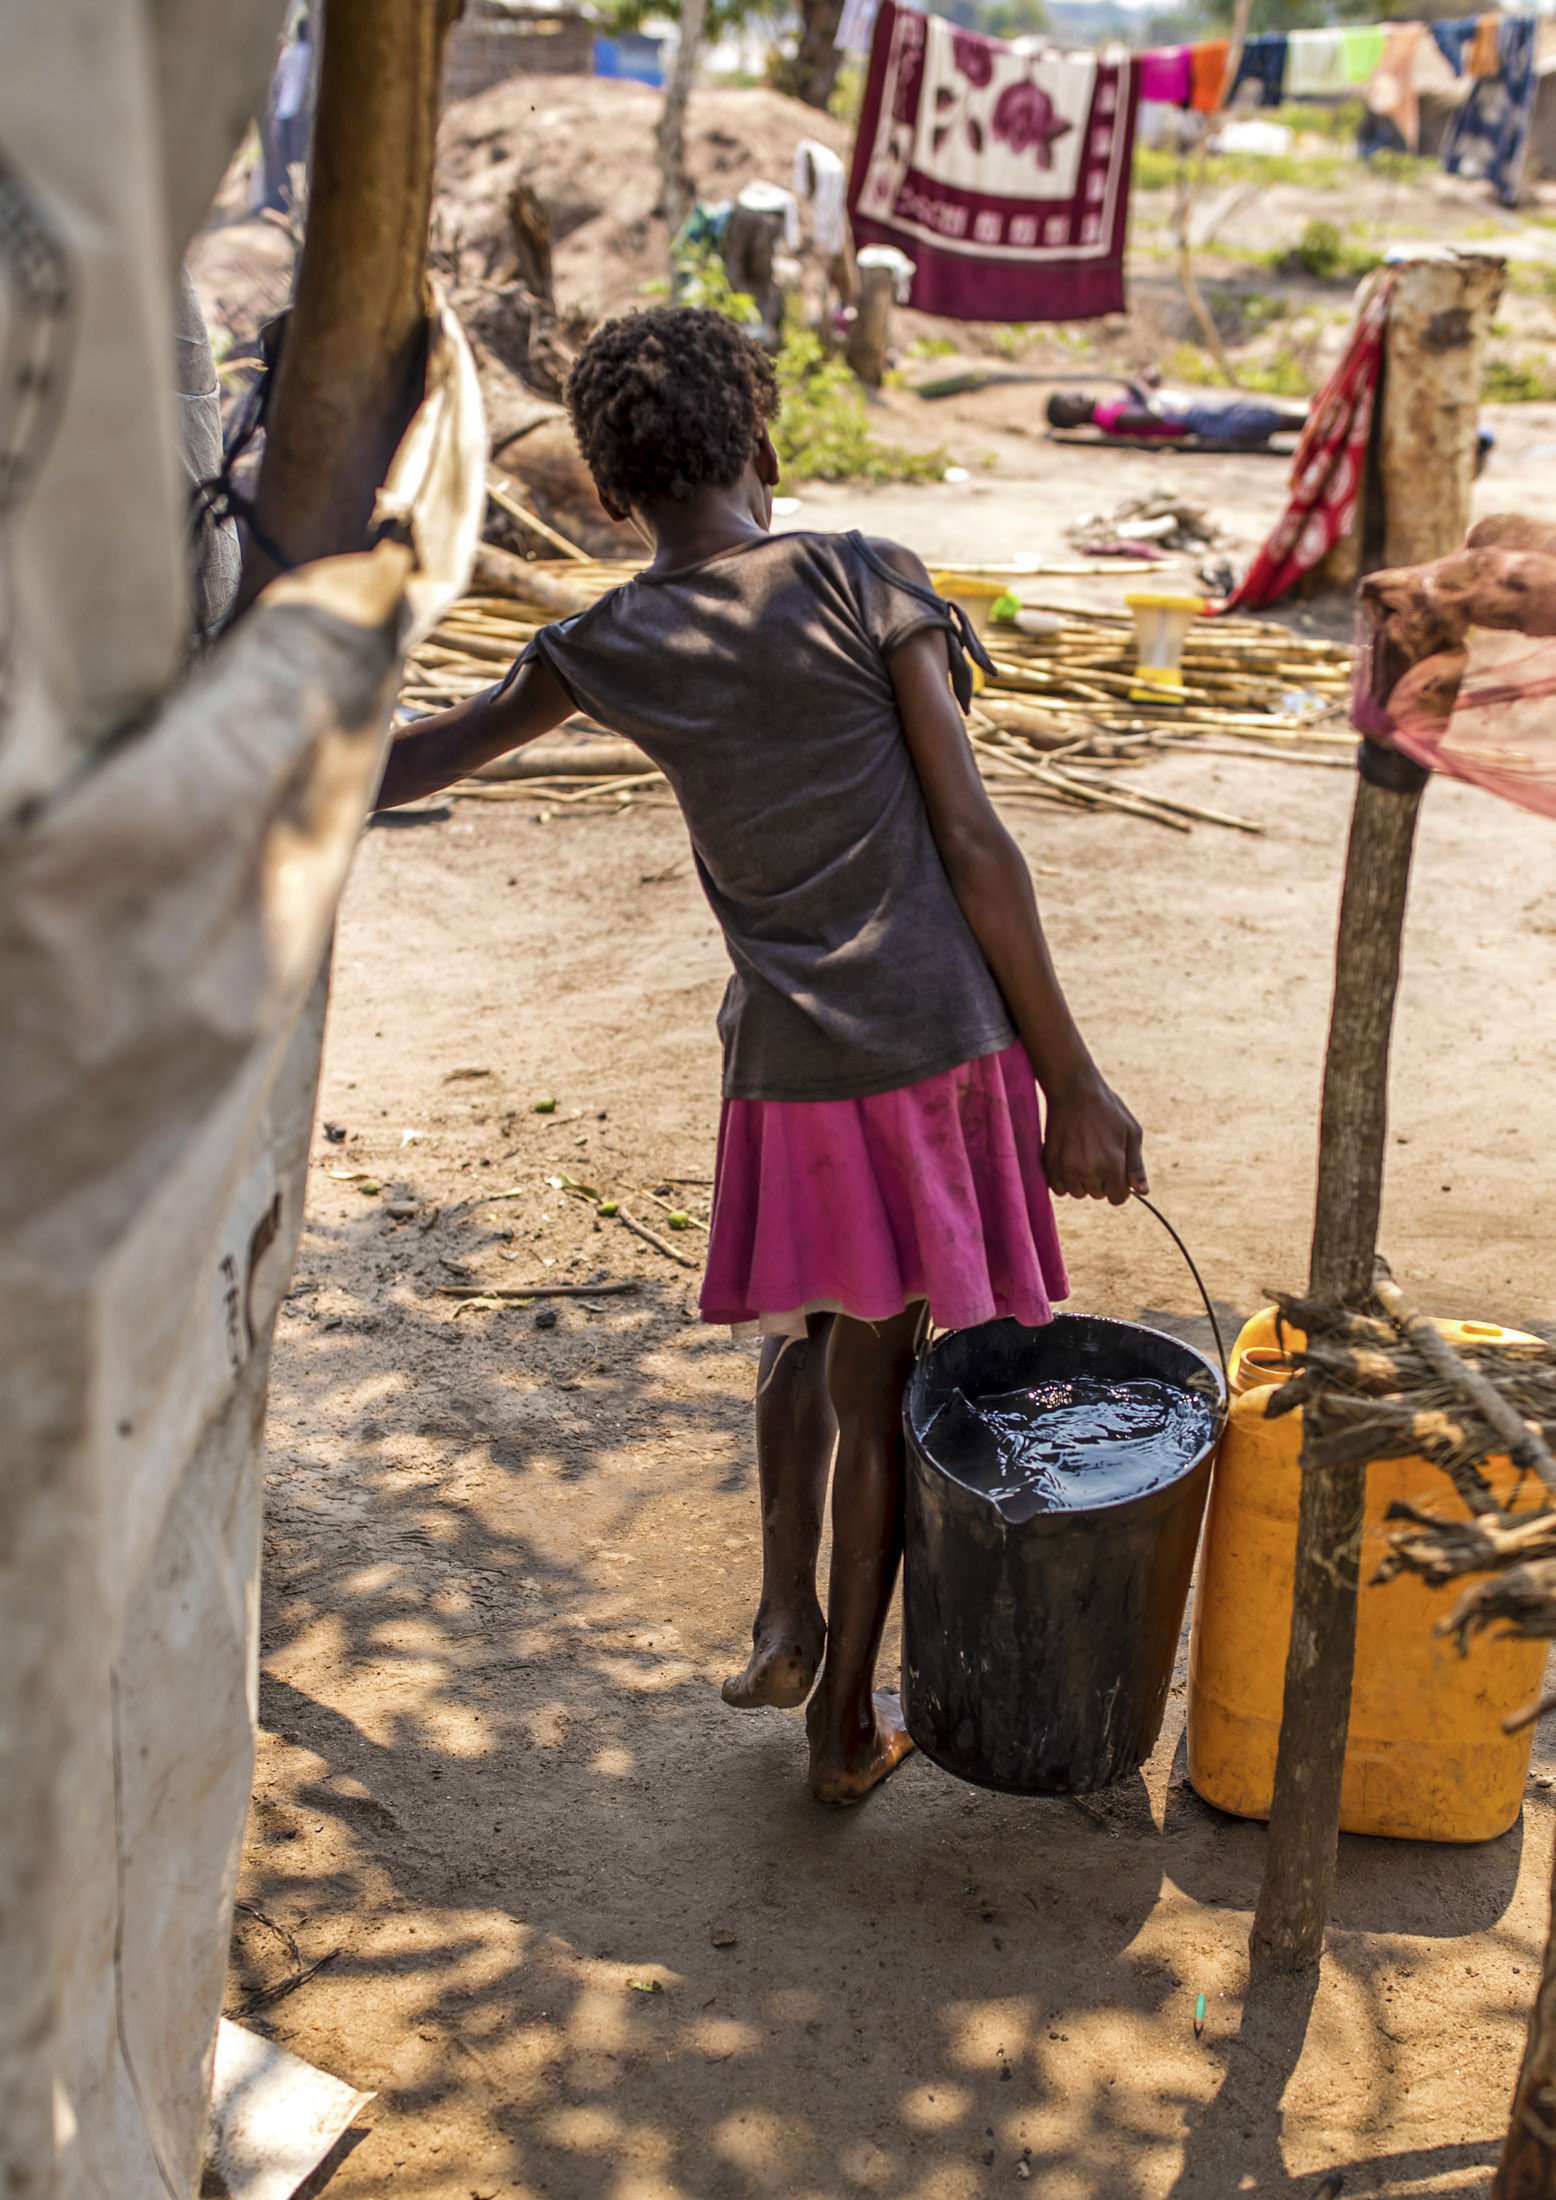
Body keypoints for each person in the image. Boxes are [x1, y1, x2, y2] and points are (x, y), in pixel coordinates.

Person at [374, 308, 1146, 1804]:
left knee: (805, 1339)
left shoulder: (599, 644)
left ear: (608, 492)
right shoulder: (863, 578)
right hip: (931, 1049)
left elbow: (425, 752)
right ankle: (844, 1723)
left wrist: (254, 725)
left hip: (784, 1069)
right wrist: (1075, 1081)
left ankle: (788, 1610)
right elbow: (974, 842)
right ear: (763, 444)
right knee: (883, 1375)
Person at [1047, 382, 1309, 448]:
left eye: (1073, 393)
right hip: (1198, 420)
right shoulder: (1106, 417)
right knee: (1266, 418)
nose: (1077, 396)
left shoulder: (1108, 408)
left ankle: (1326, 422)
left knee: (1270, 416)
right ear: (1072, 420)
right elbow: (1155, 415)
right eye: (1070, 403)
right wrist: (1143, 390)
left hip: (1196, 415)